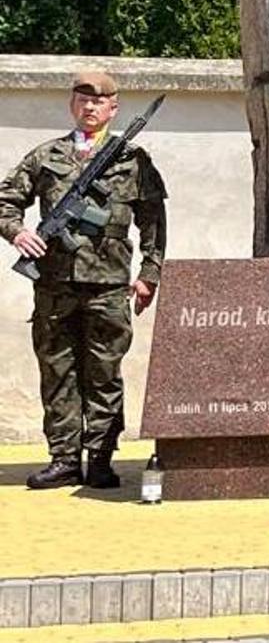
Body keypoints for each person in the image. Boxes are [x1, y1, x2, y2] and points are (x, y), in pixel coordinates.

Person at [0, 71, 168, 490]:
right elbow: (5, 200)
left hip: (109, 284)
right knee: (58, 371)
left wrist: (149, 274)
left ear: (113, 108)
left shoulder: (132, 160)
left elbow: (153, 223)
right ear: (72, 105)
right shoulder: (46, 156)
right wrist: (18, 232)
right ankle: (63, 459)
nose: (89, 107)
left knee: (104, 371)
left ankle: (101, 459)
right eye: (82, 100)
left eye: (99, 101)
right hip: (54, 283)